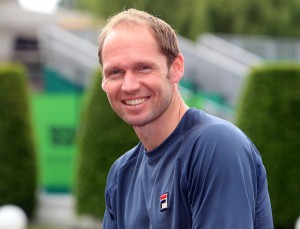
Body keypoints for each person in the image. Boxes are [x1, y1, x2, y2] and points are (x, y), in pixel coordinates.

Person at [98, 8, 273, 229]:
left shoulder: (216, 145)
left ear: (176, 68)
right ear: (103, 82)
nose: (129, 85)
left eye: (143, 68)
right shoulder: (120, 174)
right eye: (115, 72)